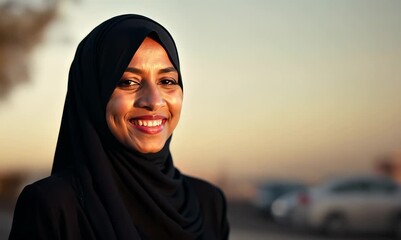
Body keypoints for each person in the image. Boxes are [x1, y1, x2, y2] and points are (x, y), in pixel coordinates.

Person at [9, 14, 229, 240]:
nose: (153, 101)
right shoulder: (53, 207)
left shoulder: (209, 203)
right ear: (93, 95)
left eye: (167, 81)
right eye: (128, 82)